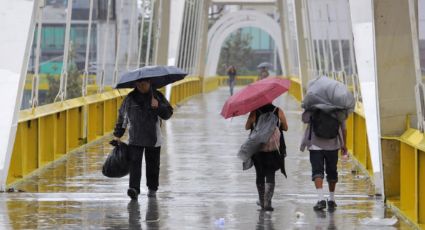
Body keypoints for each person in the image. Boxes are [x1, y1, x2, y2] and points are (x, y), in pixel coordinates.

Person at [113, 78, 173, 200]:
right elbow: (122, 116)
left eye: (143, 83)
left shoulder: (157, 96)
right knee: (134, 164)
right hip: (135, 137)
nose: (141, 85)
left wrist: (158, 106)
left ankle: (152, 188)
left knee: (153, 165)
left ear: (149, 83)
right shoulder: (130, 98)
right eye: (138, 83)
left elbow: (168, 113)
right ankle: (134, 189)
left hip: (153, 137)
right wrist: (118, 134)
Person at [300, 109, 347, 211]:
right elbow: (344, 128)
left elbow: (304, 119)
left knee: (317, 171)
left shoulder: (313, 103)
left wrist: (309, 108)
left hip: (315, 144)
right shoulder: (338, 105)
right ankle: (331, 199)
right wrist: (344, 145)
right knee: (332, 172)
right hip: (333, 145)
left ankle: (321, 199)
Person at [245, 103, 288, 211]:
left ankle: (262, 201)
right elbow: (285, 127)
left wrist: (253, 122)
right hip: (274, 148)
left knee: (260, 174)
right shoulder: (278, 111)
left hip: (258, 149)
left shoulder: (255, 111)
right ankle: (267, 202)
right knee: (271, 174)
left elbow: (247, 127)